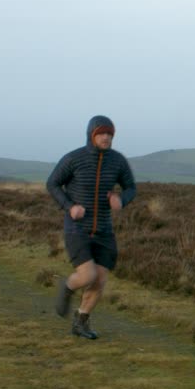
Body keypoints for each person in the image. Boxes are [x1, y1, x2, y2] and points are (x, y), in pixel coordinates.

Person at [46, 115, 136, 339]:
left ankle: (81, 322)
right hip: (77, 228)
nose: (106, 138)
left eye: (110, 134)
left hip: (104, 230)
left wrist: (121, 200)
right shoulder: (74, 159)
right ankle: (67, 286)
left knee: (100, 279)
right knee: (87, 275)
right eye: (102, 133)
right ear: (92, 135)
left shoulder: (117, 161)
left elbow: (131, 187)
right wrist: (69, 206)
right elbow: (52, 183)